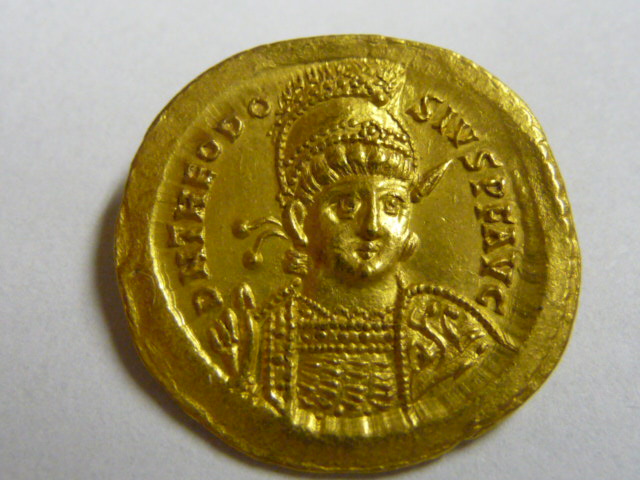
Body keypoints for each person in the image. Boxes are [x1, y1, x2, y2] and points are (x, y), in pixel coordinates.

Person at [211, 59, 513, 426]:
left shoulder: (452, 336)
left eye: (392, 205)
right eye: (346, 205)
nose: (372, 226)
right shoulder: (256, 339)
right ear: (299, 221)